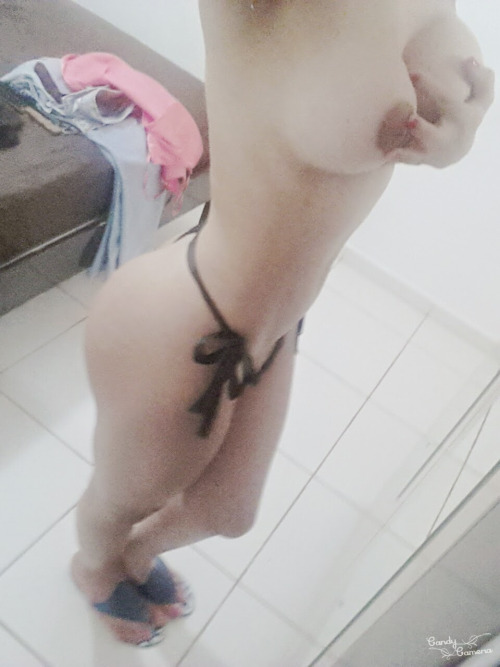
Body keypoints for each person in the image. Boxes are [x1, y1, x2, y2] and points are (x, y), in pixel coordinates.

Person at [71, 0, 494, 647]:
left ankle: (134, 554)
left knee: (228, 512)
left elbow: (429, 98)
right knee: (126, 496)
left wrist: (457, 134)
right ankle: (96, 564)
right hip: (185, 317)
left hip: (274, 328)